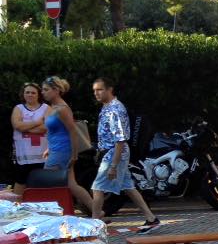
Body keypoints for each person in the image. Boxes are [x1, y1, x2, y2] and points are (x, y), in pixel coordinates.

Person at [90, 77, 160, 229]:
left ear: (110, 89)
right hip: (112, 152)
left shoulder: (115, 109)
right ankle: (151, 218)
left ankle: (94, 223)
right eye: (94, 90)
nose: (96, 93)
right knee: (128, 186)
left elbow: (120, 139)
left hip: (114, 153)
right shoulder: (107, 106)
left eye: (100, 89)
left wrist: (114, 165)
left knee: (97, 187)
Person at [39, 76, 95, 215]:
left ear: (56, 90)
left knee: (47, 184)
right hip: (57, 150)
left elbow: (73, 132)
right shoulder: (54, 108)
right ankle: (97, 210)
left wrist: (74, 155)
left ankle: (54, 214)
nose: (43, 92)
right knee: (72, 185)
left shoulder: (62, 109)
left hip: (62, 152)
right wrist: (49, 148)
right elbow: (55, 132)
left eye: (46, 90)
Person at [11, 82, 49, 195]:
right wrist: (37, 122)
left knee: (42, 183)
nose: (30, 94)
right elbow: (17, 125)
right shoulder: (18, 108)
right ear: (23, 94)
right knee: (20, 181)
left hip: (42, 154)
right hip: (23, 154)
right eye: (27, 92)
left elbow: (47, 127)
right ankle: (17, 209)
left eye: (33, 92)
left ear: (38, 95)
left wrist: (25, 128)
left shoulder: (46, 108)